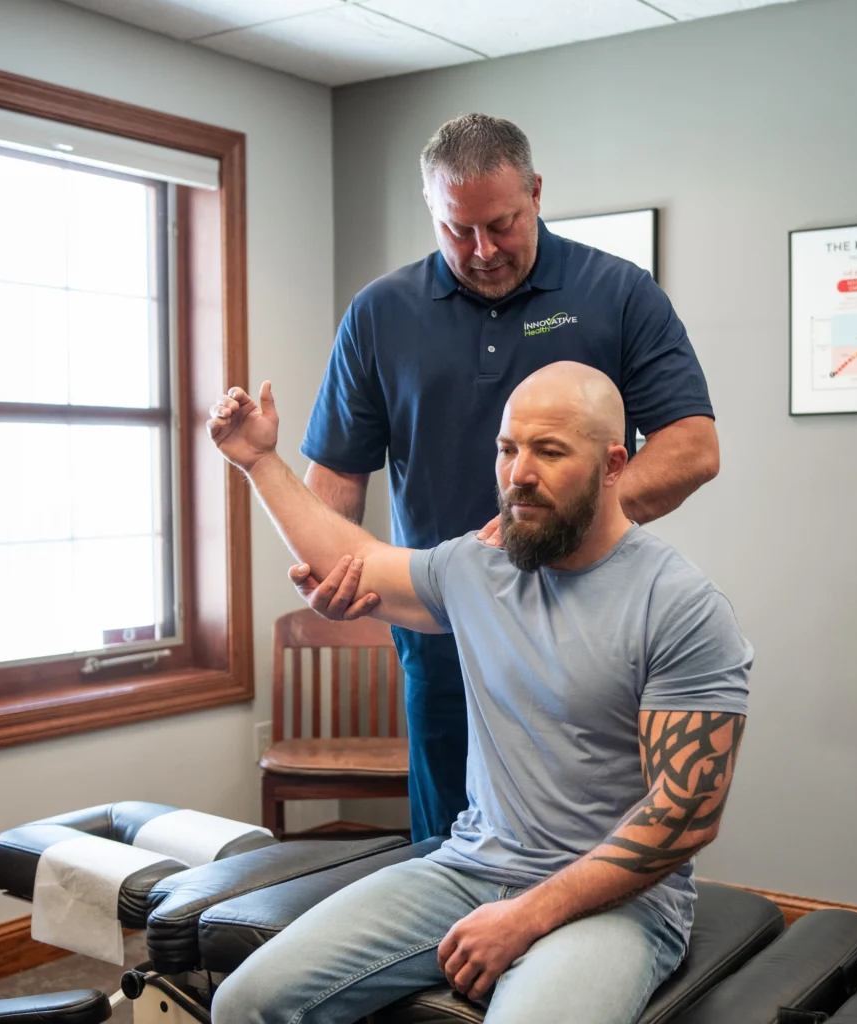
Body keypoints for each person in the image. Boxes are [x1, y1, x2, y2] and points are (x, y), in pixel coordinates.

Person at [207, 361, 751, 1024]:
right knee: (245, 1003)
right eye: (508, 448)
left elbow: (686, 812)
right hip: (468, 867)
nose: (520, 472)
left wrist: (525, 916)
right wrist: (259, 461)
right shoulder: (479, 567)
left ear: (613, 465)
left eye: (550, 451)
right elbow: (348, 560)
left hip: (620, 903)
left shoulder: (680, 605)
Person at [299, 113, 721, 842]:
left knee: (591, 838)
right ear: (431, 209)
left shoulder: (618, 293)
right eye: (457, 229)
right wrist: (333, 570)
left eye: (502, 224)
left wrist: (558, 529)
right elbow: (336, 470)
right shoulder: (380, 313)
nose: (483, 250)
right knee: (449, 842)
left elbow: (692, 447)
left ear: (536, 193)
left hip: (590, 623)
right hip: (445, 626)